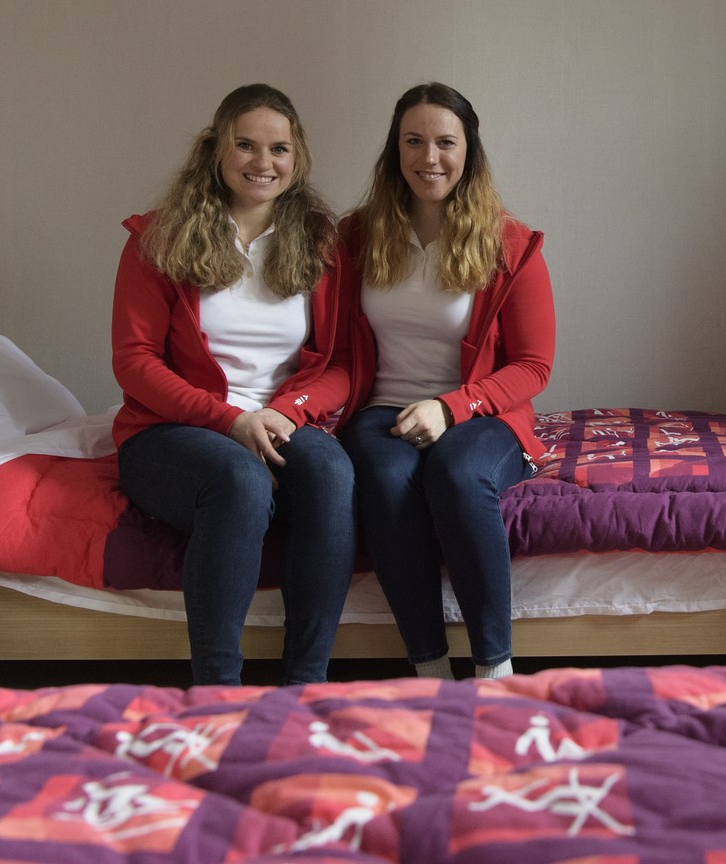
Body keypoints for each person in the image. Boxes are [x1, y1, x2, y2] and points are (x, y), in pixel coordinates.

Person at [110, 83, 356, 686]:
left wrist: (289, 413)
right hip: (173, 430)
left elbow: (343, 365)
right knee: (241, 480)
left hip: (281, 420)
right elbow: (134, 360)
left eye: (279, 149)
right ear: (216, 151)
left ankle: (306, 684)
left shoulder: (322, 244)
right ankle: (217, 690)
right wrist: (230, 421)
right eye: (245, 146)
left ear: (297, 159)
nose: (262, 163)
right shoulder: (158, 239)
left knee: (330, 472)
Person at [334, 82, 555, 680]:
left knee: (457, 475)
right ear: (395, 150)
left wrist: (451, 408)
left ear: (469, 152)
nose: (429, 158)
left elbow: (534, 366)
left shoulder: (510, 244)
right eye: (414, 141)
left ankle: (494, 668)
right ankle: (428, 667)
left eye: (445, 142)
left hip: (479, 414)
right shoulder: (355, 237)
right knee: (386, 479)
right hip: (380, 412)